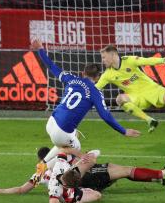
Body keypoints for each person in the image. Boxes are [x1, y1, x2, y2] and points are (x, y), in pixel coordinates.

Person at [30, 39, 140, 178]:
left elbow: (51, 65)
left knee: (68, 141)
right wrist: (123, 131)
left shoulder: (71, 79)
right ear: (98, 77)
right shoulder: (96, 92)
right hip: (61, 132)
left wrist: (40, 49)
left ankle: (44, 162)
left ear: (83, 73)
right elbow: (105, 116)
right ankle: (48, 173)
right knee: (75, 150)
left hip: (51, 122)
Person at [96, 45, 165, 142]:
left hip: (151, 89)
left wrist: (163, 60)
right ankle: (149, 120)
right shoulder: (107, 75)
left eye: (104, 57)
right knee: (120, 99)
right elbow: (95, 89)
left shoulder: (129, 60)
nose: (102, 60)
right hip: (136, 97)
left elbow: (147, 60)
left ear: (113, 55)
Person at [0, 147, 165, 195]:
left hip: (78, 184)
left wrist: (0, 191)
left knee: (122, 171)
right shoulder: (60, 159)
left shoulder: (39, 174)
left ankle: (158, 179)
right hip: (85, 178)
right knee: (126, 170)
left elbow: (22, 189)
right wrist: (85, 154)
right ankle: (163, 174)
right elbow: (84, 157)